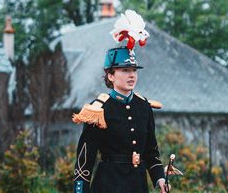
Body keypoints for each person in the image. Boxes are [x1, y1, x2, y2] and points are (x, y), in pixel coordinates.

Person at [72, 11, 168, 193]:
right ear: (110, 75)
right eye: (124, 70)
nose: (131, 75)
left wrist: (159, 178)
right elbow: (85, 159)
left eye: (134, 70)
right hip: (108, 184)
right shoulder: (98, 110)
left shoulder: (144, 107)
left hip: (138, 185)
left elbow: (151, 151)